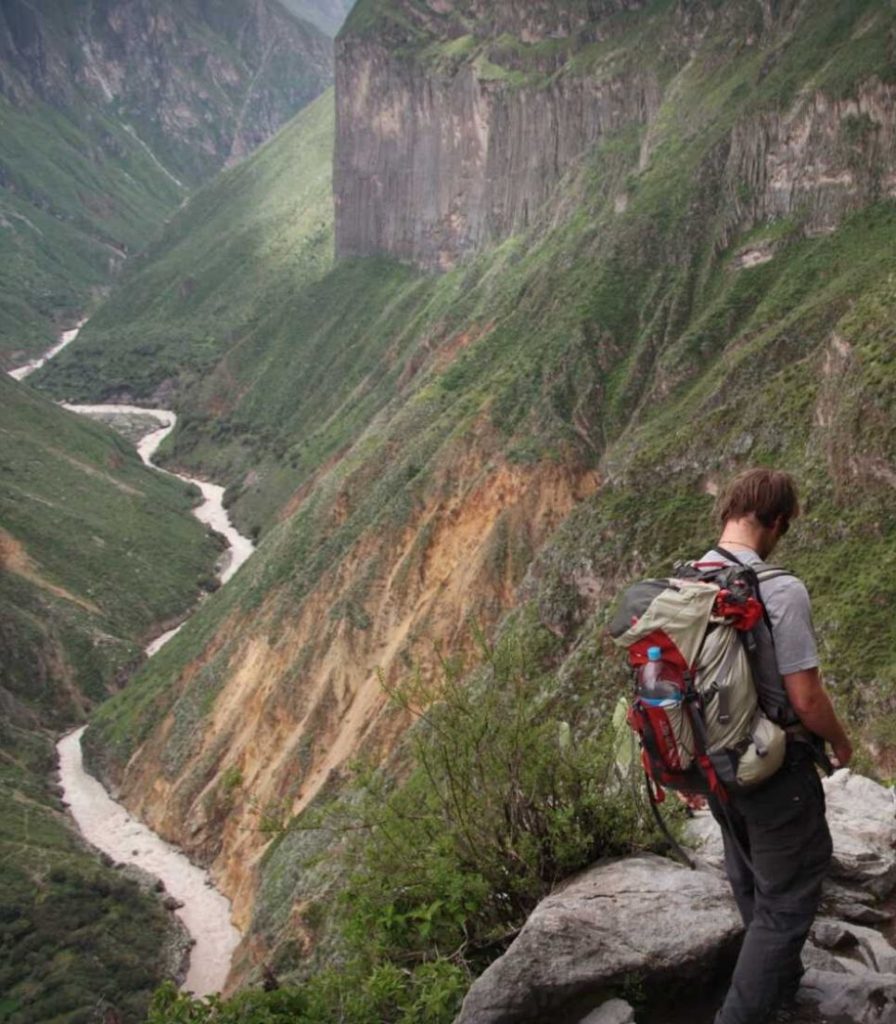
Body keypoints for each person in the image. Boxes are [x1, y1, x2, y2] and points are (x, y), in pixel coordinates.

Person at [703, 468, 852, 1024]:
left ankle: (778, 990)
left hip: (714, 767)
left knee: (750, 880)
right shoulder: (779, 589)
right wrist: (840, 742)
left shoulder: (687, 581)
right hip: (773, 772)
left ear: (728, 512)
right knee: (788, 899)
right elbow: (805, 696)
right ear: (779, 522)